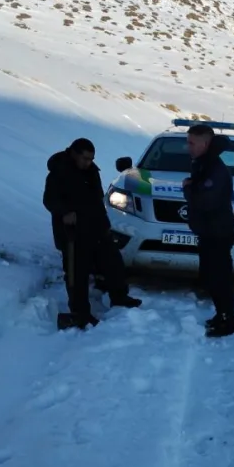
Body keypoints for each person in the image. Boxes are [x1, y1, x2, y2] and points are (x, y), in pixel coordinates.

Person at [43, 138, 142, 330]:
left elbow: (97, 200)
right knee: (76, 274)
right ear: (73, 153)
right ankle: (80, 313)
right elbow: (49, 199)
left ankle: (120, 297)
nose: (88, 162)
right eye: (85, 158)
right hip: (73, 233)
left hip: (96, 228)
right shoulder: (59, 172)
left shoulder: (91, 171)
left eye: (91, 158)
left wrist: (105, 224)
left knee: (113, 263)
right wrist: (64, 212)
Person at [182, 125, 234, 338]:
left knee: (220, 278)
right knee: (211, 277)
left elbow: (206, 200)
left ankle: (228, 320)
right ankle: (221, 314)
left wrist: (187, 188)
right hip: (208, 231)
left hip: (218, 232)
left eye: (191, 143)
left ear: (205, 144)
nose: (188, 147)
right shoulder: (203, 163)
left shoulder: (215, 168)